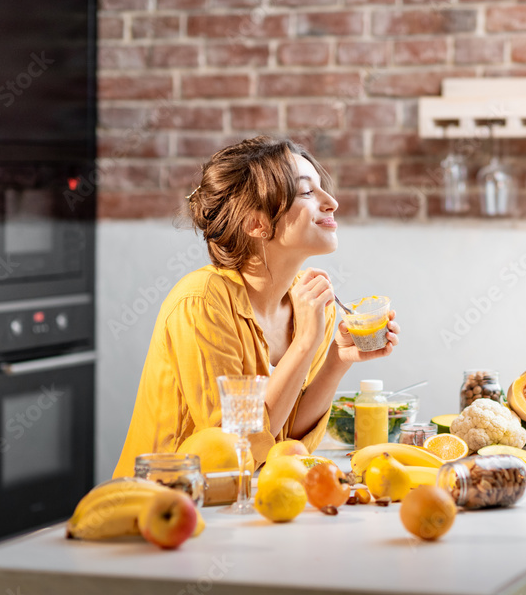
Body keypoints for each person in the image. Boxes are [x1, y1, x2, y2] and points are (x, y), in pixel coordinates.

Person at [113, 136, 399, 477]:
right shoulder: (201, 303)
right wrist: (306, 340)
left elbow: (286, 443)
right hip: (167, 504)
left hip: (254, 504)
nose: (332, 202)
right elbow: (237, 449)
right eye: (307, 192)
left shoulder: (308, 303)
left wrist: (337, 360)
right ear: (256, 223)